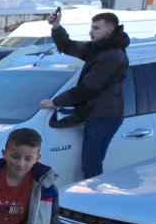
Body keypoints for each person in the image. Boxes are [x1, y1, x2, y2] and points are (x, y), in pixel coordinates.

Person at [40, 11, 129, 180]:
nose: (91, 31)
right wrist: (56, 26)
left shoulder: (113, 55)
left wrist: (54, 102)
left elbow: (87, 89)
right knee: (90, 163)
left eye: (96, 28)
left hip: (104, 116)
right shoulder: (99, 49)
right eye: (91, 27)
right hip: (94, 114)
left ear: (110, 30)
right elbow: (67, 46)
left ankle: (91, 200)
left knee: (91, 163)